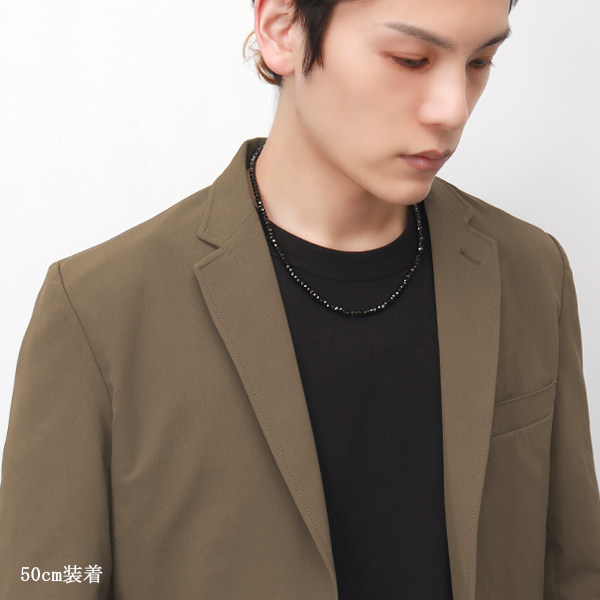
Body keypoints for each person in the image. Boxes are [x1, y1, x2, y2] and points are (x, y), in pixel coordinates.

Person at [1, 0, 599, 597]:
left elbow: (573, 569)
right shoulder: (97, 312)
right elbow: (45, 580)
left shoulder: (530, 272)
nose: (454, 108)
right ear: (282, 30)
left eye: (480, 61)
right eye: (410, 59)